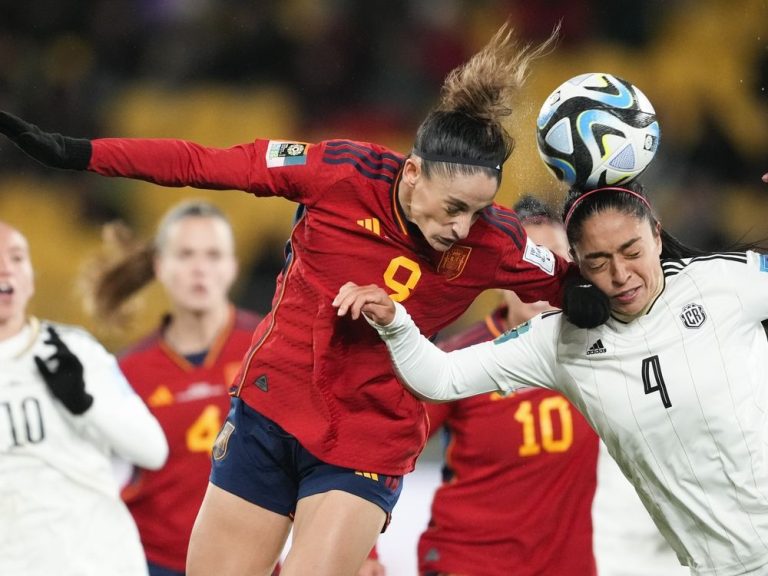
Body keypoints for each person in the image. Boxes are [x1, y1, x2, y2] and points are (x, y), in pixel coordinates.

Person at [0, 23, 584, 576]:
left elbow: (589, 291)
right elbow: (204, 165)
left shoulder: (498, 242)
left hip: (367, 440)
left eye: (478, 210)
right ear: (411, 174)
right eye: (454, 207)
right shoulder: (339, 173)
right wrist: (79, 153)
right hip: (271, 413)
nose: (463, 227)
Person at [337, 181, 768, 576]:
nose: (620, 275)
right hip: (473, 565)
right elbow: (418, 403)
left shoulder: (708, 289)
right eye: (598, 261)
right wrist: (395, 322)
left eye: (632, 252)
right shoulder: (540, 346)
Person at [415, 196, 600, 576]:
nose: (536, 276)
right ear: (498, 274)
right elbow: (384, 447)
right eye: (525, 262)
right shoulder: (459, 361)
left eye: (551, 261)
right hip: (467, 564)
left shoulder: (599, 350)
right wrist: (365, 548)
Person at [80, 200, 262, 576]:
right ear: (160, 266)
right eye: (185, 255)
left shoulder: (269, 346)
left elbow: (325, 449)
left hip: (252, 561)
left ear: (233, 266)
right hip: (151, 561)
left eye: (213, 255)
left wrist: (365, 550)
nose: (199, 269)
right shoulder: (128, 371)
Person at [0, 220, 168, 576]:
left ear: (31, 276)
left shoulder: (75, 351)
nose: (6, 269)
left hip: (99, 560)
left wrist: (86, 405)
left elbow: (153, 449)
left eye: (17, 258)